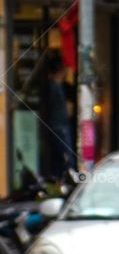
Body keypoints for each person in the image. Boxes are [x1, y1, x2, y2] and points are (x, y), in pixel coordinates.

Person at [40, 50, 76, 179]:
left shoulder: (58, 86)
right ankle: (65, 178)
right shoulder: (54, 87)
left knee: (60, 157)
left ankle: (59, 178)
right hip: (59, 126)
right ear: (60, 70)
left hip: (58, 125)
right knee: (67, 157)